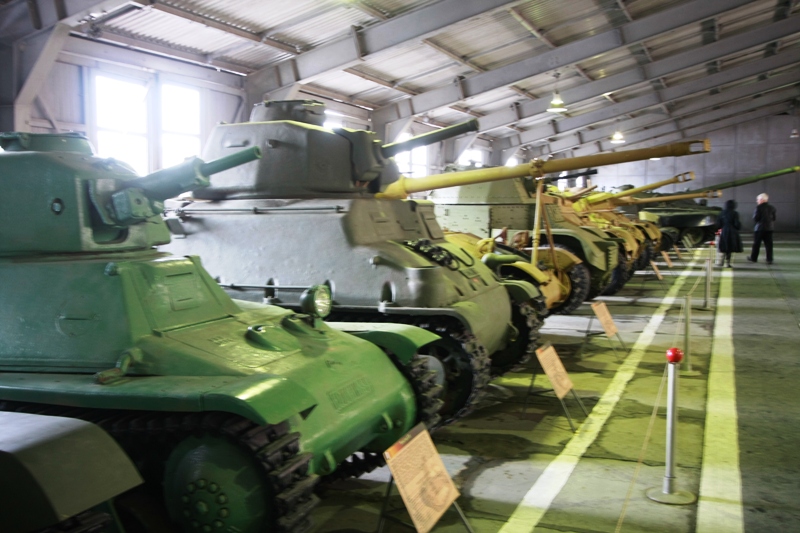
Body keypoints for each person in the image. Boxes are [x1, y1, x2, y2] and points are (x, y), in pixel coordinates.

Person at [746, 193, 777, 265]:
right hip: (769, 228)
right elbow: (774, 218)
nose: (757, 201)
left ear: (762, 200)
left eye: (758, 199)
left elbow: (756, 218)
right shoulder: (772, 207)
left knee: (756, 244)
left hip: (759, 228)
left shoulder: (758, 207)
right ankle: (769, 259)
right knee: (769, 244)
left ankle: (754, 258)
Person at [715, 199, 743, 267]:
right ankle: (728, 262)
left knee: (723, 246)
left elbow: (718, 224)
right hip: (732, 232)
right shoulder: (735, 213)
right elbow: (737, 224)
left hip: (724, 231)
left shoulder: (722, 213)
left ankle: (720, 262)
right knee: (730, 247)